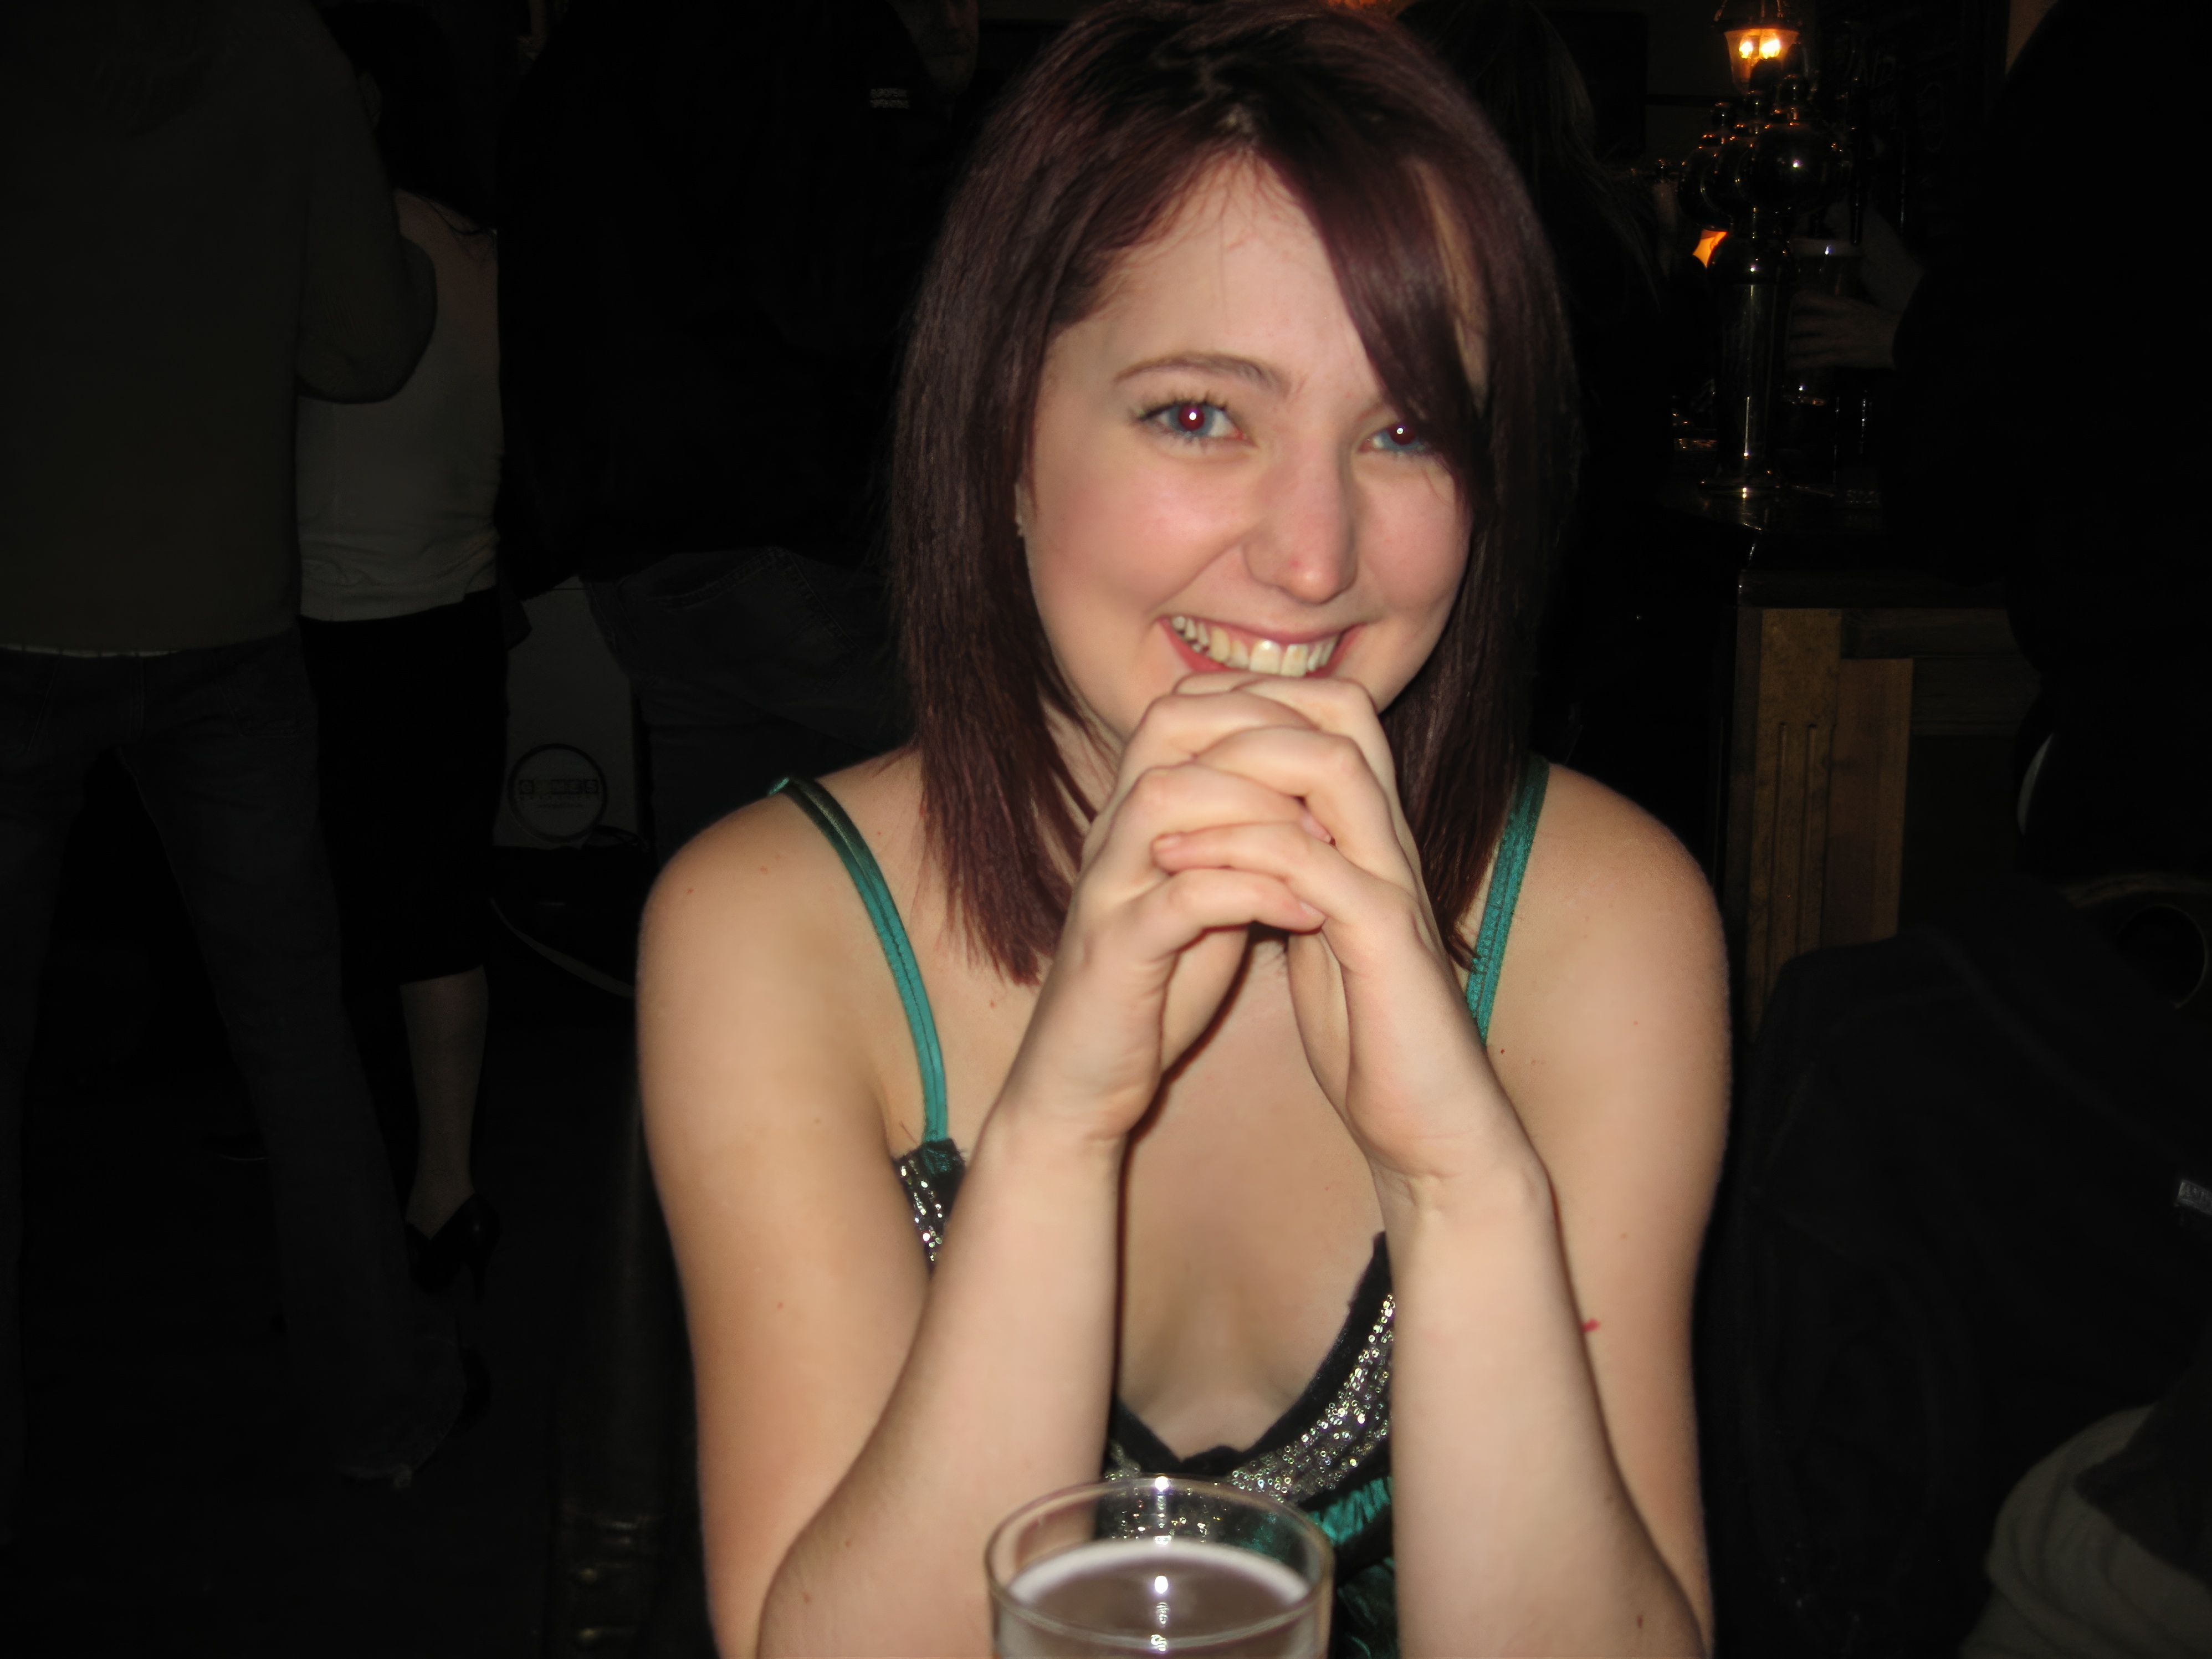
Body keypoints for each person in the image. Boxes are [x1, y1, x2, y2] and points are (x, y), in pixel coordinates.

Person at [639, 4, 1728, 1655]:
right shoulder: (771, 930)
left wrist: (1462, 1179)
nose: (1315, 556)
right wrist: (1061, 1130)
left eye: (1407, 428)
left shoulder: (1605, 922)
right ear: (1002, 433)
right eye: (1201, 415)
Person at [0, 0, 476, 1540]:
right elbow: (368, 344)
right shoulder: (275, 55)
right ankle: (379, 1411)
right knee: (296, 1035)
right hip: (218, 621)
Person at [498, 0, 976, 864]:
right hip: (786, 523)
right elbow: (865, 294)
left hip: (627, 535)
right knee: (991, 805)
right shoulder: (814, 35)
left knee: (726, 868)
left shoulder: (589, 46)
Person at [298, 2, 506, 1298]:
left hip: (344, 631)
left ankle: (385, 1196)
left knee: (343, 928)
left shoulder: (359, 248)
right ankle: (446, 1185)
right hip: (455, 615)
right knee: (433, 912)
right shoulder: (474, 239)